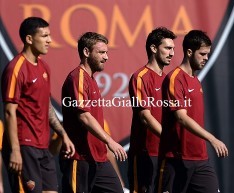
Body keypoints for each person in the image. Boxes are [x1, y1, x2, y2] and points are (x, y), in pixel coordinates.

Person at [1, 17, 75, 193]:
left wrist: (63, 134)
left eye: (49, 35)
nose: (49, 40)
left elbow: (46, 105)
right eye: (44, 36)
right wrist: (15, 151)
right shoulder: (15, 69)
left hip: (43, 147)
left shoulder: (44, 67)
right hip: (24, 147)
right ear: (29, 39)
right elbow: (10, 112)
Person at [156, 30, 229, 193]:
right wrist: (212, 138)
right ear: (189, 52)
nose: (206, 58)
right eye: (202, 54)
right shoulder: (174, 78)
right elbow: (181, 117)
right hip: (175, 160)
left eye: (208, 54)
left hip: (201, 160)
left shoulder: (196, 80)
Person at [60, 32, 127, 193]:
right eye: (101, 52)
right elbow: (84, 116)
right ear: (86, 52)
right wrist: (110, 142)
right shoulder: (77, 78)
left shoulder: (91, 79)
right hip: (80, 159)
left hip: (99, 159)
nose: (106, 57)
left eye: (107, 52)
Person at [128, 27, 176, 193]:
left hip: (166, 154)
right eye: (168, 48)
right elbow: (144, 117)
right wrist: (170, 138)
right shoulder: (140, 77)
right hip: (144, 154)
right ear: (154, 48)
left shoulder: (169, 80)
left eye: (173, 49)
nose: (172, 53)